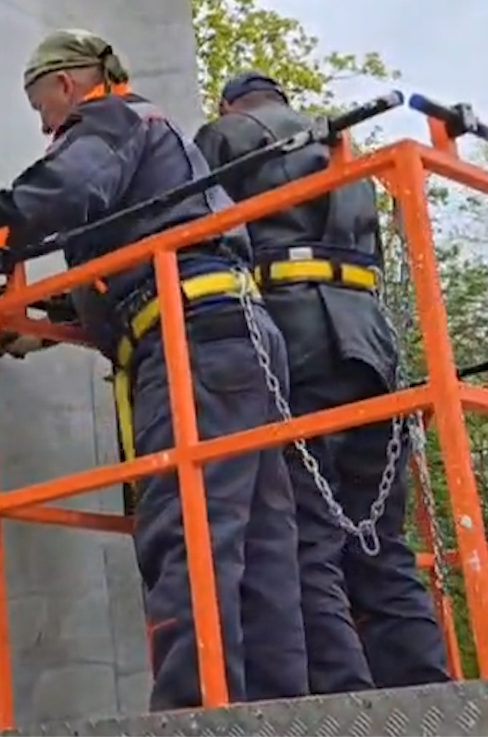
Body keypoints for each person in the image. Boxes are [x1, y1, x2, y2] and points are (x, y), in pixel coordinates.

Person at [0, 30, 308, 710]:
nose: (43, 122)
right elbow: (132, 258)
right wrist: (43, 328)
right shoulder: (161, 143)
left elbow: (58, 194)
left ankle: (193, 717)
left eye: (39, 104)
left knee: (185, 527)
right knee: (258, 541)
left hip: (187, 339)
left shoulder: (108, 119)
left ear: (67, 85)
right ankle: (283, 713)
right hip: (233, 332)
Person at [193, 70, 452, 691]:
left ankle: (346, 700)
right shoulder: (339, 147)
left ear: (230, 104)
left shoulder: (224, 137)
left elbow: (196, 236)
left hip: (292, 336)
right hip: (369, 342)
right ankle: (428, 693)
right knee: (381, 543)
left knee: (308, 535)